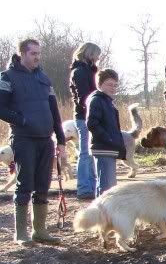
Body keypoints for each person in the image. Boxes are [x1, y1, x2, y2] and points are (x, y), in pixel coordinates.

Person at [0, 39, 65, 245]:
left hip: (46, 140)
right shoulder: (7, 77)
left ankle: (40, 230)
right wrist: (23, 121)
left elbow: (54, 111)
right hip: (23, 139)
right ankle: (20, 233)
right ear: (22, 54)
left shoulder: (44, 79)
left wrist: (61, 139)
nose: (37, 57)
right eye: (33, 53)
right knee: (25, 183)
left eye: (39, 53)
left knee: (43, 185)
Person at [87, 69, 126, 195]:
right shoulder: (97, 100)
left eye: (115, 85)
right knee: (106, 188)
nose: (113, 88)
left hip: (110, 148)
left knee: (110, 186)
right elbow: (92, 123)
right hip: (104, 148)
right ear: (100, 84)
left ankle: (106, 213)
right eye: (109, 84)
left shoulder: (108, 102)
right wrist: (108, 138)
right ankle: (101, 213)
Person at [69, 42, 101, 198]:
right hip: (84, 116)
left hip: (88, 115)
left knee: (90, 152)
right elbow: (84, 97)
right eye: (96, 55)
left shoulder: (88, 70)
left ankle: (91, 187)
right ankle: (84, 188)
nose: (97, 58)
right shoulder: (80, 71)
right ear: (90, 54)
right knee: (85, 153)